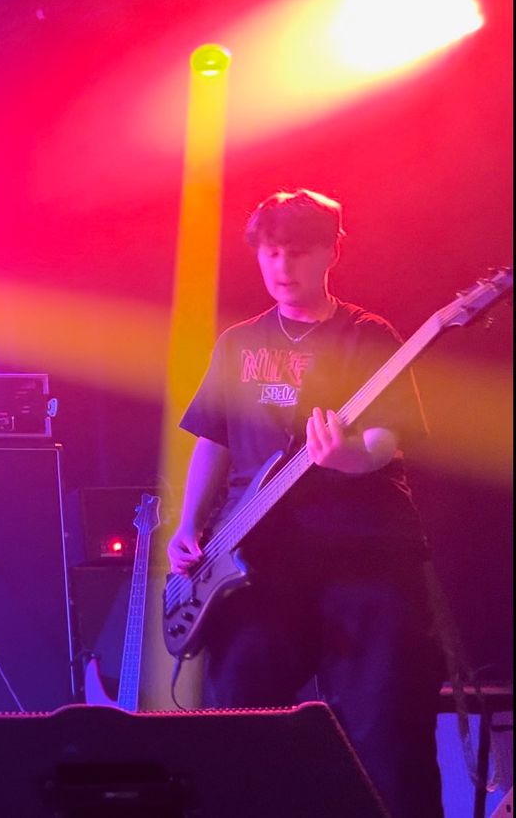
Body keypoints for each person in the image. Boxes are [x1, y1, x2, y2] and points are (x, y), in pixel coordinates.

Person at [166, 189, 443, 818]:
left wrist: (349, 457)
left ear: (331, 253)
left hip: (364, 557)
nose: (282, 267)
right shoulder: (239, 343)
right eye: (270, 253)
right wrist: (189, 525)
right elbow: (213, 440)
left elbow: (387, 438)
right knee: (240, 723)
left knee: (386, 729)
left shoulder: (367, 335)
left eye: (297, 252)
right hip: (253, 562)